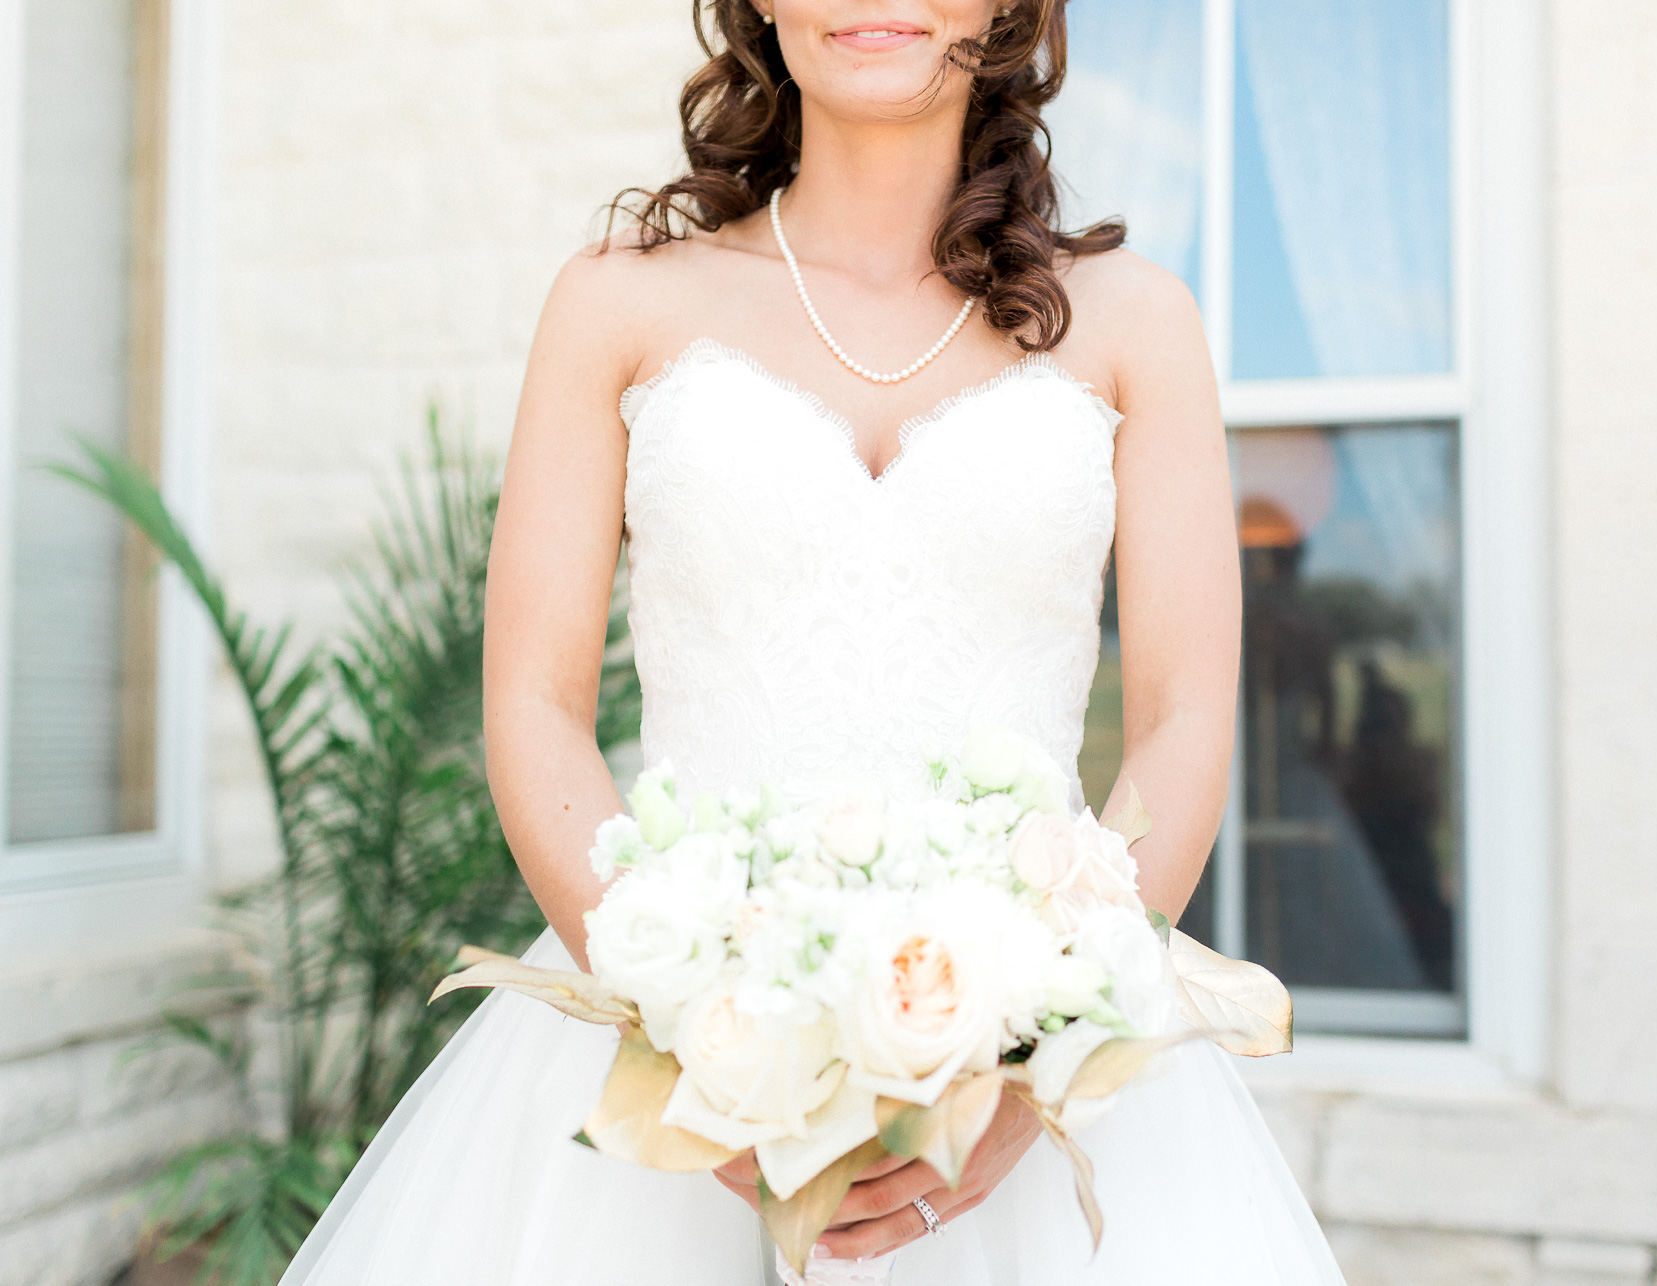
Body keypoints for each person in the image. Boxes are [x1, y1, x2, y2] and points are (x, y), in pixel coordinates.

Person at [279, 3, 1345, 1282]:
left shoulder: (1135, 322)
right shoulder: (616, 302)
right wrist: (694, 1050)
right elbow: (534, 704)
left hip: (1031, 1065)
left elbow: (1178, 723)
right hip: (661, 1076)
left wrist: (1031, 1074)